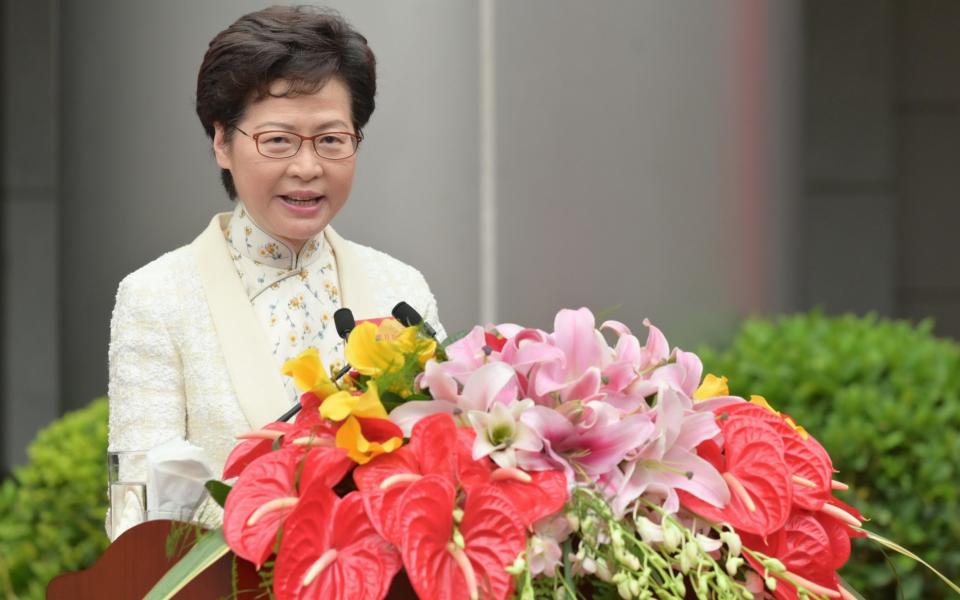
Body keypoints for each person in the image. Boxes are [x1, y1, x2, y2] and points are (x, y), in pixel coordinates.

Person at [106, 6, 444, 528]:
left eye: (331, 140)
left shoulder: (400, 288)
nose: (307, 167)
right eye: (278, 140)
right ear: (222, 141)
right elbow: (141, 521)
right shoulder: (156, 298)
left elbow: (444, 468)